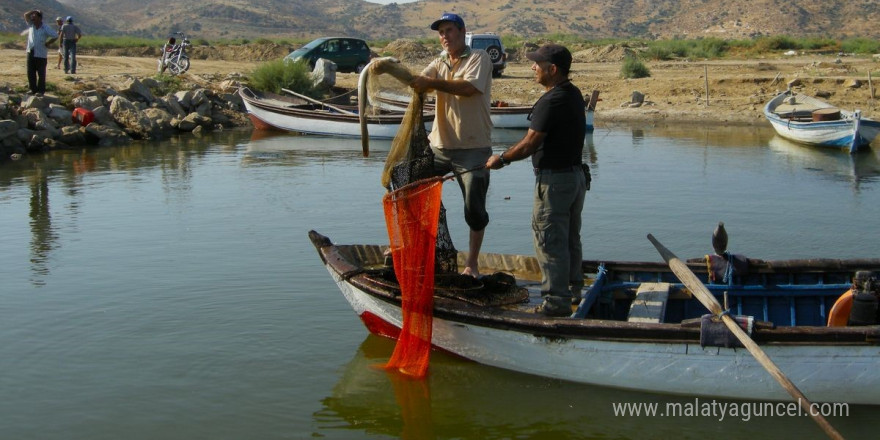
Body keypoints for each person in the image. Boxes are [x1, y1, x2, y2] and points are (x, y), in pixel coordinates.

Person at [485, 44, 587, 317]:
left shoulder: (551, 100)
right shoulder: (573, 93)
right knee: (569, 239)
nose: (532, 67)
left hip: (554, 182)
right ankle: (574, 290)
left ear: (552, 70)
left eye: (537, 64)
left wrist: (501, 159)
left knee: (549, 241)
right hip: (575, 179)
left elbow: (529, 144)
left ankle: (555, 304)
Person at [408, 12, 494, 278]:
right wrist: (387, 68)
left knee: (474, 208)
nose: (444, 36)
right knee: (410, 191)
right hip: (439, 148)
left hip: (473, 149)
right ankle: (409, 248)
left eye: (449, 31)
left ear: (461, 31)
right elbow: (419, 82)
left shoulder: (480, 58)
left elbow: (468, 88)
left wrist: (430, 83)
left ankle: (472, 263)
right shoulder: (438, 62)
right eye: (440, 32)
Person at [23, 9, 58, 96]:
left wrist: (48, 43)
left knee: (41, 73)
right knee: (30, 72)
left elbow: (55, 35)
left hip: (41, 53)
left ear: (40, 18)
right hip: (31, 51)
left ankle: (41, 91)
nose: (32, 18)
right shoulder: (31, 25)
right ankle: (33, 89)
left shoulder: (45, 27)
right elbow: (26, 15)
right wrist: (34, 11)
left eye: (35, 17)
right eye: (32, 17)